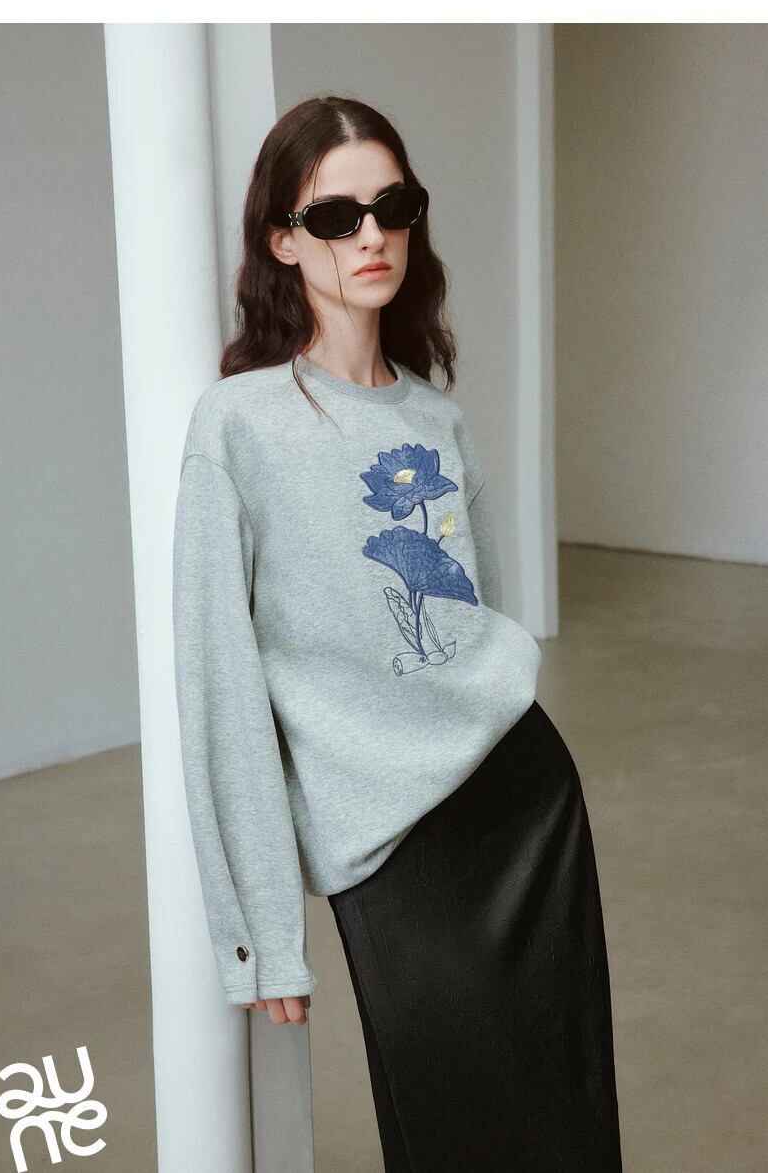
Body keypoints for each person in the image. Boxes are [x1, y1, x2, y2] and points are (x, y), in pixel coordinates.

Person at [172, 94, 622, 1171]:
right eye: (335, 216)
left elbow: (478, 622)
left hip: (524, 806)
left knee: (565, 1123)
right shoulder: (239, 426)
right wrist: (261, 933)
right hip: (388, 848)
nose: (370, 235)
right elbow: (219, 684)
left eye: (394, 207)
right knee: (452, 1135)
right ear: (284, 241)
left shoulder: (435, 417)